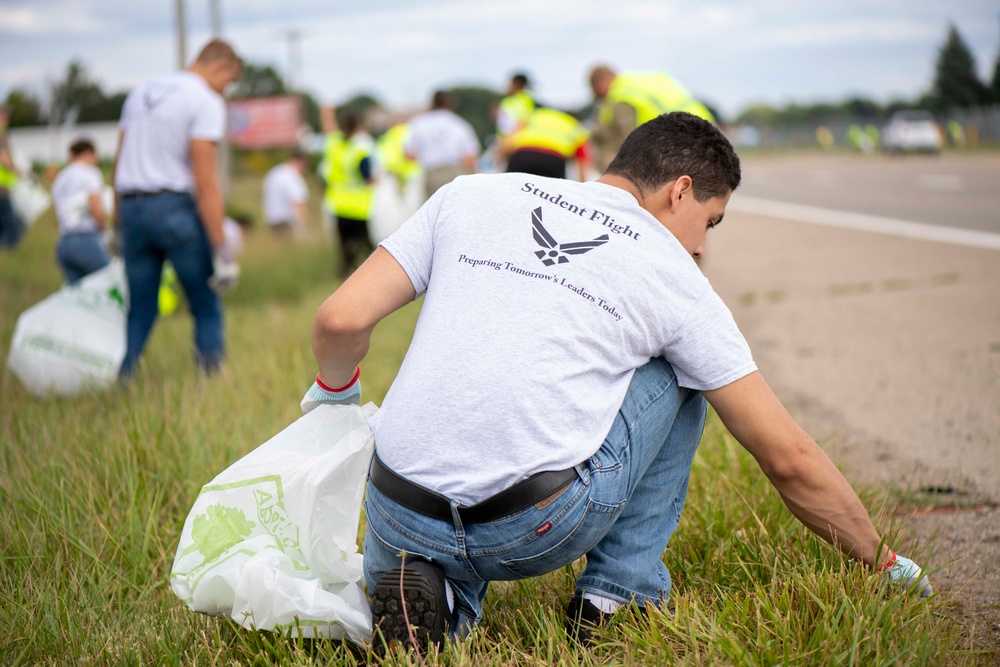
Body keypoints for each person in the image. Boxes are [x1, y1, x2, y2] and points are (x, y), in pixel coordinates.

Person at [302, 112, 932, 654]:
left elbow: (340, 318)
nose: (702, 250)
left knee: (434, 523)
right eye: (710, 223)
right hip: (530, 525)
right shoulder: (674, 277)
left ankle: (437, 595)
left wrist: (334, 399)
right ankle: (615, 597)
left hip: (394, 508)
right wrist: (879, 560)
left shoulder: (468, 196)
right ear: (679, 192)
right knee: (684, 373)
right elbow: (786, 456)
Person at [113, 38, 243, 376]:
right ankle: (212, 375)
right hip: (174, 210)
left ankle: (126, 376)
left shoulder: (140, 92)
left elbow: (119, 162)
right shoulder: (204, 100)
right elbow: (205, 181)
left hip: (131, 209)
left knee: (140, 306)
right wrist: (221, 248)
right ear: (218, 66)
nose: (225, 91)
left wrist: (116, 225)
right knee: (204, 302)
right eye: (228, 82)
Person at [588, 64, 716, 173]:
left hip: (680, 136)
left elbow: (627, 136)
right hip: (704, 125)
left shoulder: (620, 94)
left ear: (601, 84)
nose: (603, 98)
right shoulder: (642, 80)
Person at [320, 106, 377, 276]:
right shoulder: (359, 150)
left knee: (344, 245)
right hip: (359, 206)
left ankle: (345, 273)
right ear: (359, 126)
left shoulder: (334, 143)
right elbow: (367, 177)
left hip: (338, 204)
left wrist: (326, 113)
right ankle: (371, 273)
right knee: (365, 244)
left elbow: (328, 129)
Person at [51, 138, 110, 283]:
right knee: (107, 283)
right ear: (89, 153)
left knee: (77, 296)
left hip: (63, 242)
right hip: (86, 238)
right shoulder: (90, 173)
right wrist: (104, 226)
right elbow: (95, 205)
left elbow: (58, 215)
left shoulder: (60, 178)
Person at [404, 90, 480, 199]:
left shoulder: (418, 123)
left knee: (431, 211)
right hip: (454, 174)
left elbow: (409, 154)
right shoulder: (459, 124)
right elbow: (470, 157)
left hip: (430, 174)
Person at [500, 106, 592, 181]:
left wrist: (501, 165)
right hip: (553, 161)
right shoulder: (575, 125)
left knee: (511, 189)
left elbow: (509, 140)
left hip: (523, 155)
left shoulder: (537, 115)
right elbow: (582, 161)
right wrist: (582, 186)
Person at [262, 149, 310, 236]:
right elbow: (297, 202)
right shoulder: (292, 175)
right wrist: (306, 227)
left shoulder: (274, 172)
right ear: (300, 162)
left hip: (273, 220)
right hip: (287, 222)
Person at [0, 104, 25, 249]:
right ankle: (6, 254)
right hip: (2, 187)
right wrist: (21, 172)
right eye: (5, 116)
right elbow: (4, 161)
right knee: (12, 228)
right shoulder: (2, 135)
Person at [495, 72, 536, 141]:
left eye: (510, 84)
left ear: (517, 85)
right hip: (504, 140)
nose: (508, 86)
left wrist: (508, 140)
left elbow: (522, 122)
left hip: (511, 142)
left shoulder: (522, 101)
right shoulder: (508, 101)